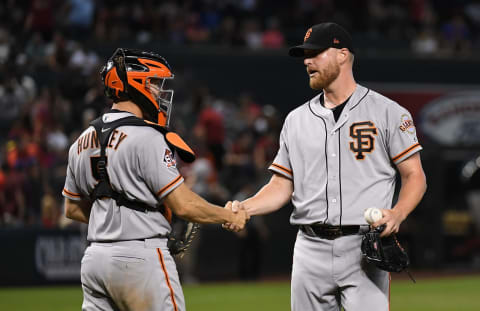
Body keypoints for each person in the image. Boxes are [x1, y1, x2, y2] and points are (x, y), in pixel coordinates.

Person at [226, 22, 427, 310]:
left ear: (343, 55)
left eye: (316, 53)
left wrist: (398, 212)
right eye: (305, 55)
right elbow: (281, 186)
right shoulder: (296, 120)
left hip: (363, 246)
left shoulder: (388, 112)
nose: (307, 61)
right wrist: (247, 207)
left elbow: (415, 176)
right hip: (310, 248)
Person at [62, 48, 248, 311]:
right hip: (140, 260)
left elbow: (72, 209)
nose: (159, 91)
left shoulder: (80, 142)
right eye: (155, 83)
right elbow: (184, 205)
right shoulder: (147, 137)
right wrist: (229, 216)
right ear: (135, 84)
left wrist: (118, 221)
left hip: (95, 261)